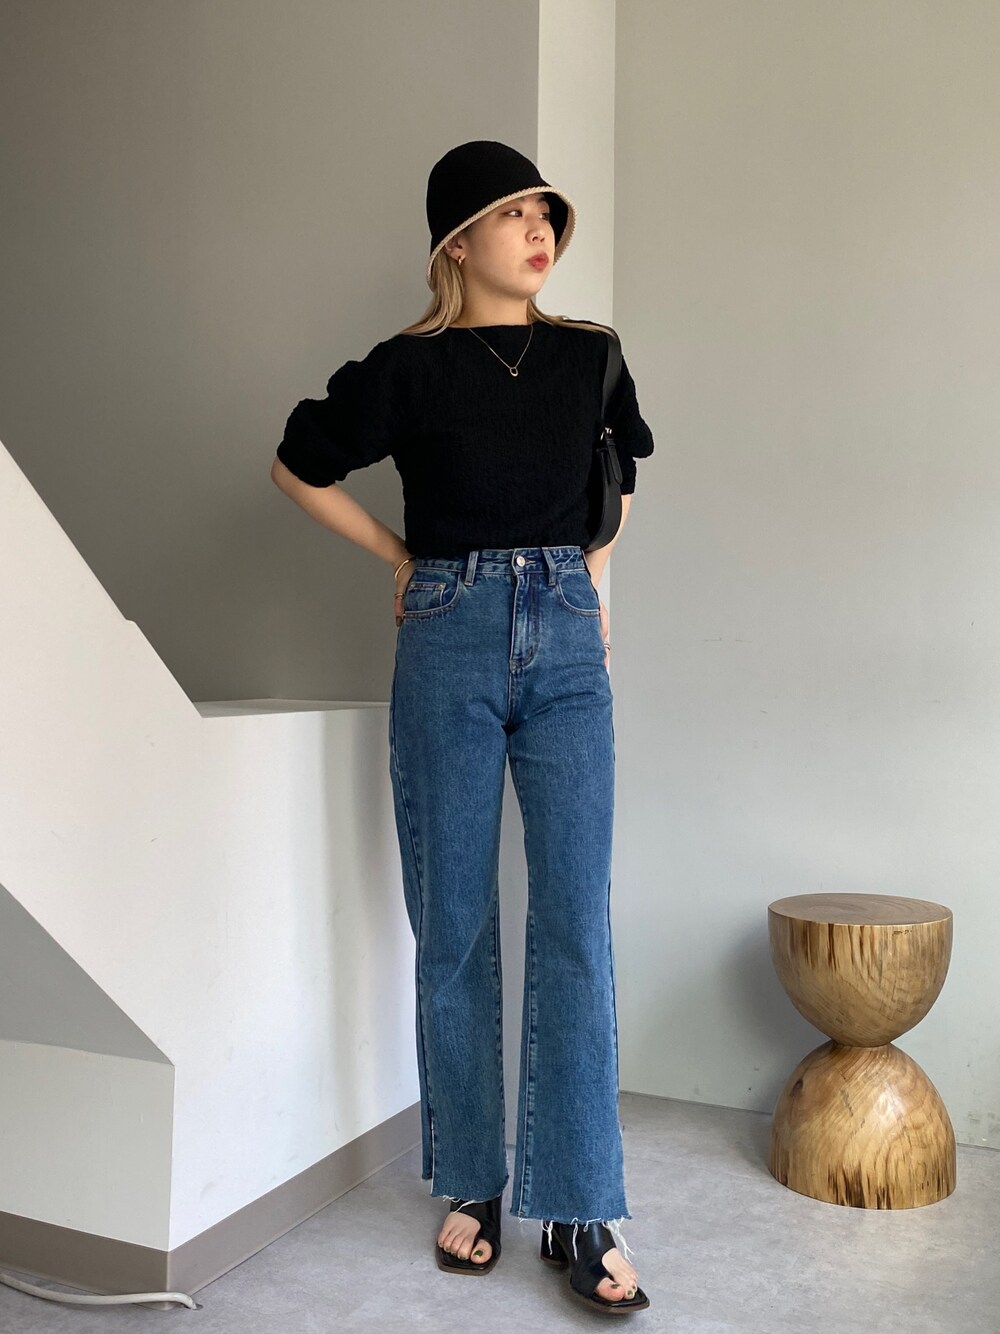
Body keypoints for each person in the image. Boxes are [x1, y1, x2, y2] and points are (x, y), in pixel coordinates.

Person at [271, 140, 654, 1316]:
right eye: (510, 213)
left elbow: (619, 480)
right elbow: (297, 464)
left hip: (566, 633)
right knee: (453, 924)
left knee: (575, 919)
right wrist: (400, 558)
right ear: (457, 241)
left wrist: (586, 586)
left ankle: (580, 1201)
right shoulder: (409, 368)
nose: (537, 230)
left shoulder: (590, 354)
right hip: (446, 628)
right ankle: (475, 1177)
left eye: (545, 213)